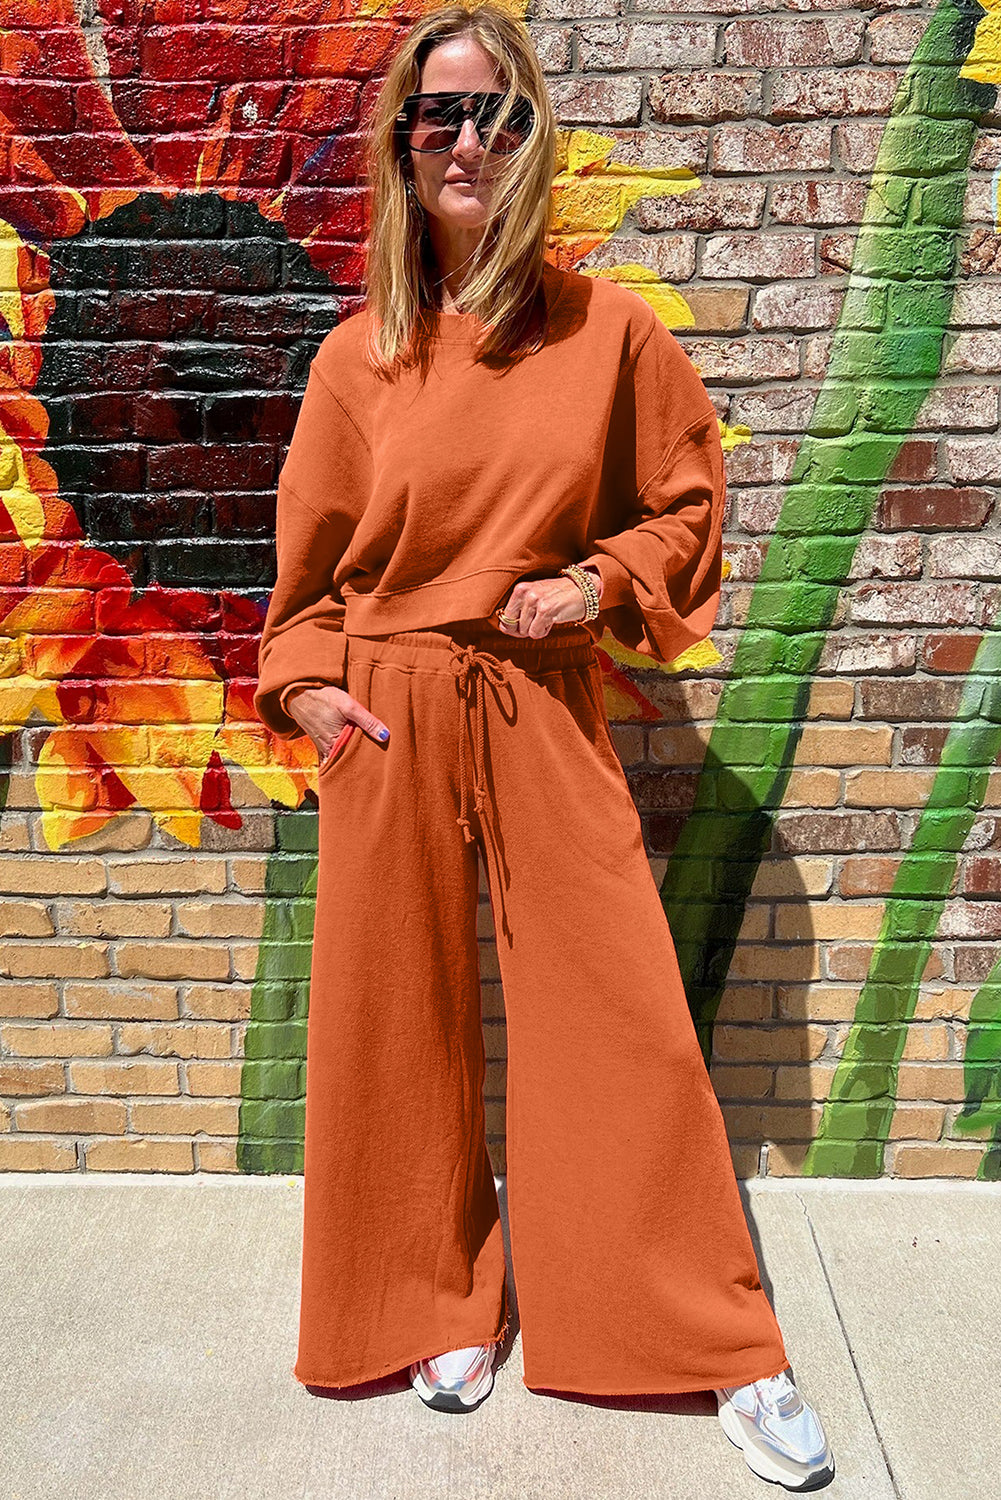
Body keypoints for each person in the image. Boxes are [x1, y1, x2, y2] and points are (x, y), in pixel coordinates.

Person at [253, 3, 834, 1490]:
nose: (464, 142)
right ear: (400, 147)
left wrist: (590, 585)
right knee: (395, 1021)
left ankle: (713, 1340)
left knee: (615, 1008)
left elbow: (684, 510)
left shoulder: (607, 331)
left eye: (494, 116)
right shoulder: (355, 355)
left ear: (533, 143)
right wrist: (311, 688)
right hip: (389, 703)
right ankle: (432, 1301)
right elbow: (305, 581)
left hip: (532, 688)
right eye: (436, 117)